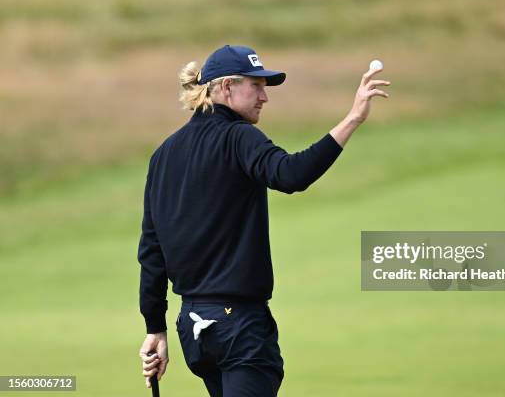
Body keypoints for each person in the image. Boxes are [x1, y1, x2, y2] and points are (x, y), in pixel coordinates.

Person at [137, 44, 390, 396]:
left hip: (194, 331)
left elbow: (152, 249)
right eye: (255, 86)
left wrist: (155, 329)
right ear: (226, 87)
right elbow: (291, 174)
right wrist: (353, 119)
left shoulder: (163, 153)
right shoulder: (238, 137)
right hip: (238, 327)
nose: (264, 97)